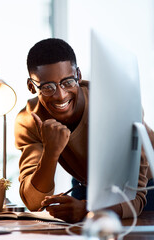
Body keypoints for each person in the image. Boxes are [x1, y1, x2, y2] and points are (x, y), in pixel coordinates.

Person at [14, 38, 151, 223]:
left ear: (78, 75)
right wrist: (51, 152)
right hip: (90, 184)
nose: (60, 95)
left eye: (68, 82)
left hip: (147, 184)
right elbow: (34, 202)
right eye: (47, 87)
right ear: (32, 86)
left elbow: (137, 199)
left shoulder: (115, 104)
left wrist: (87, 210)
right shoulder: (29, 120)